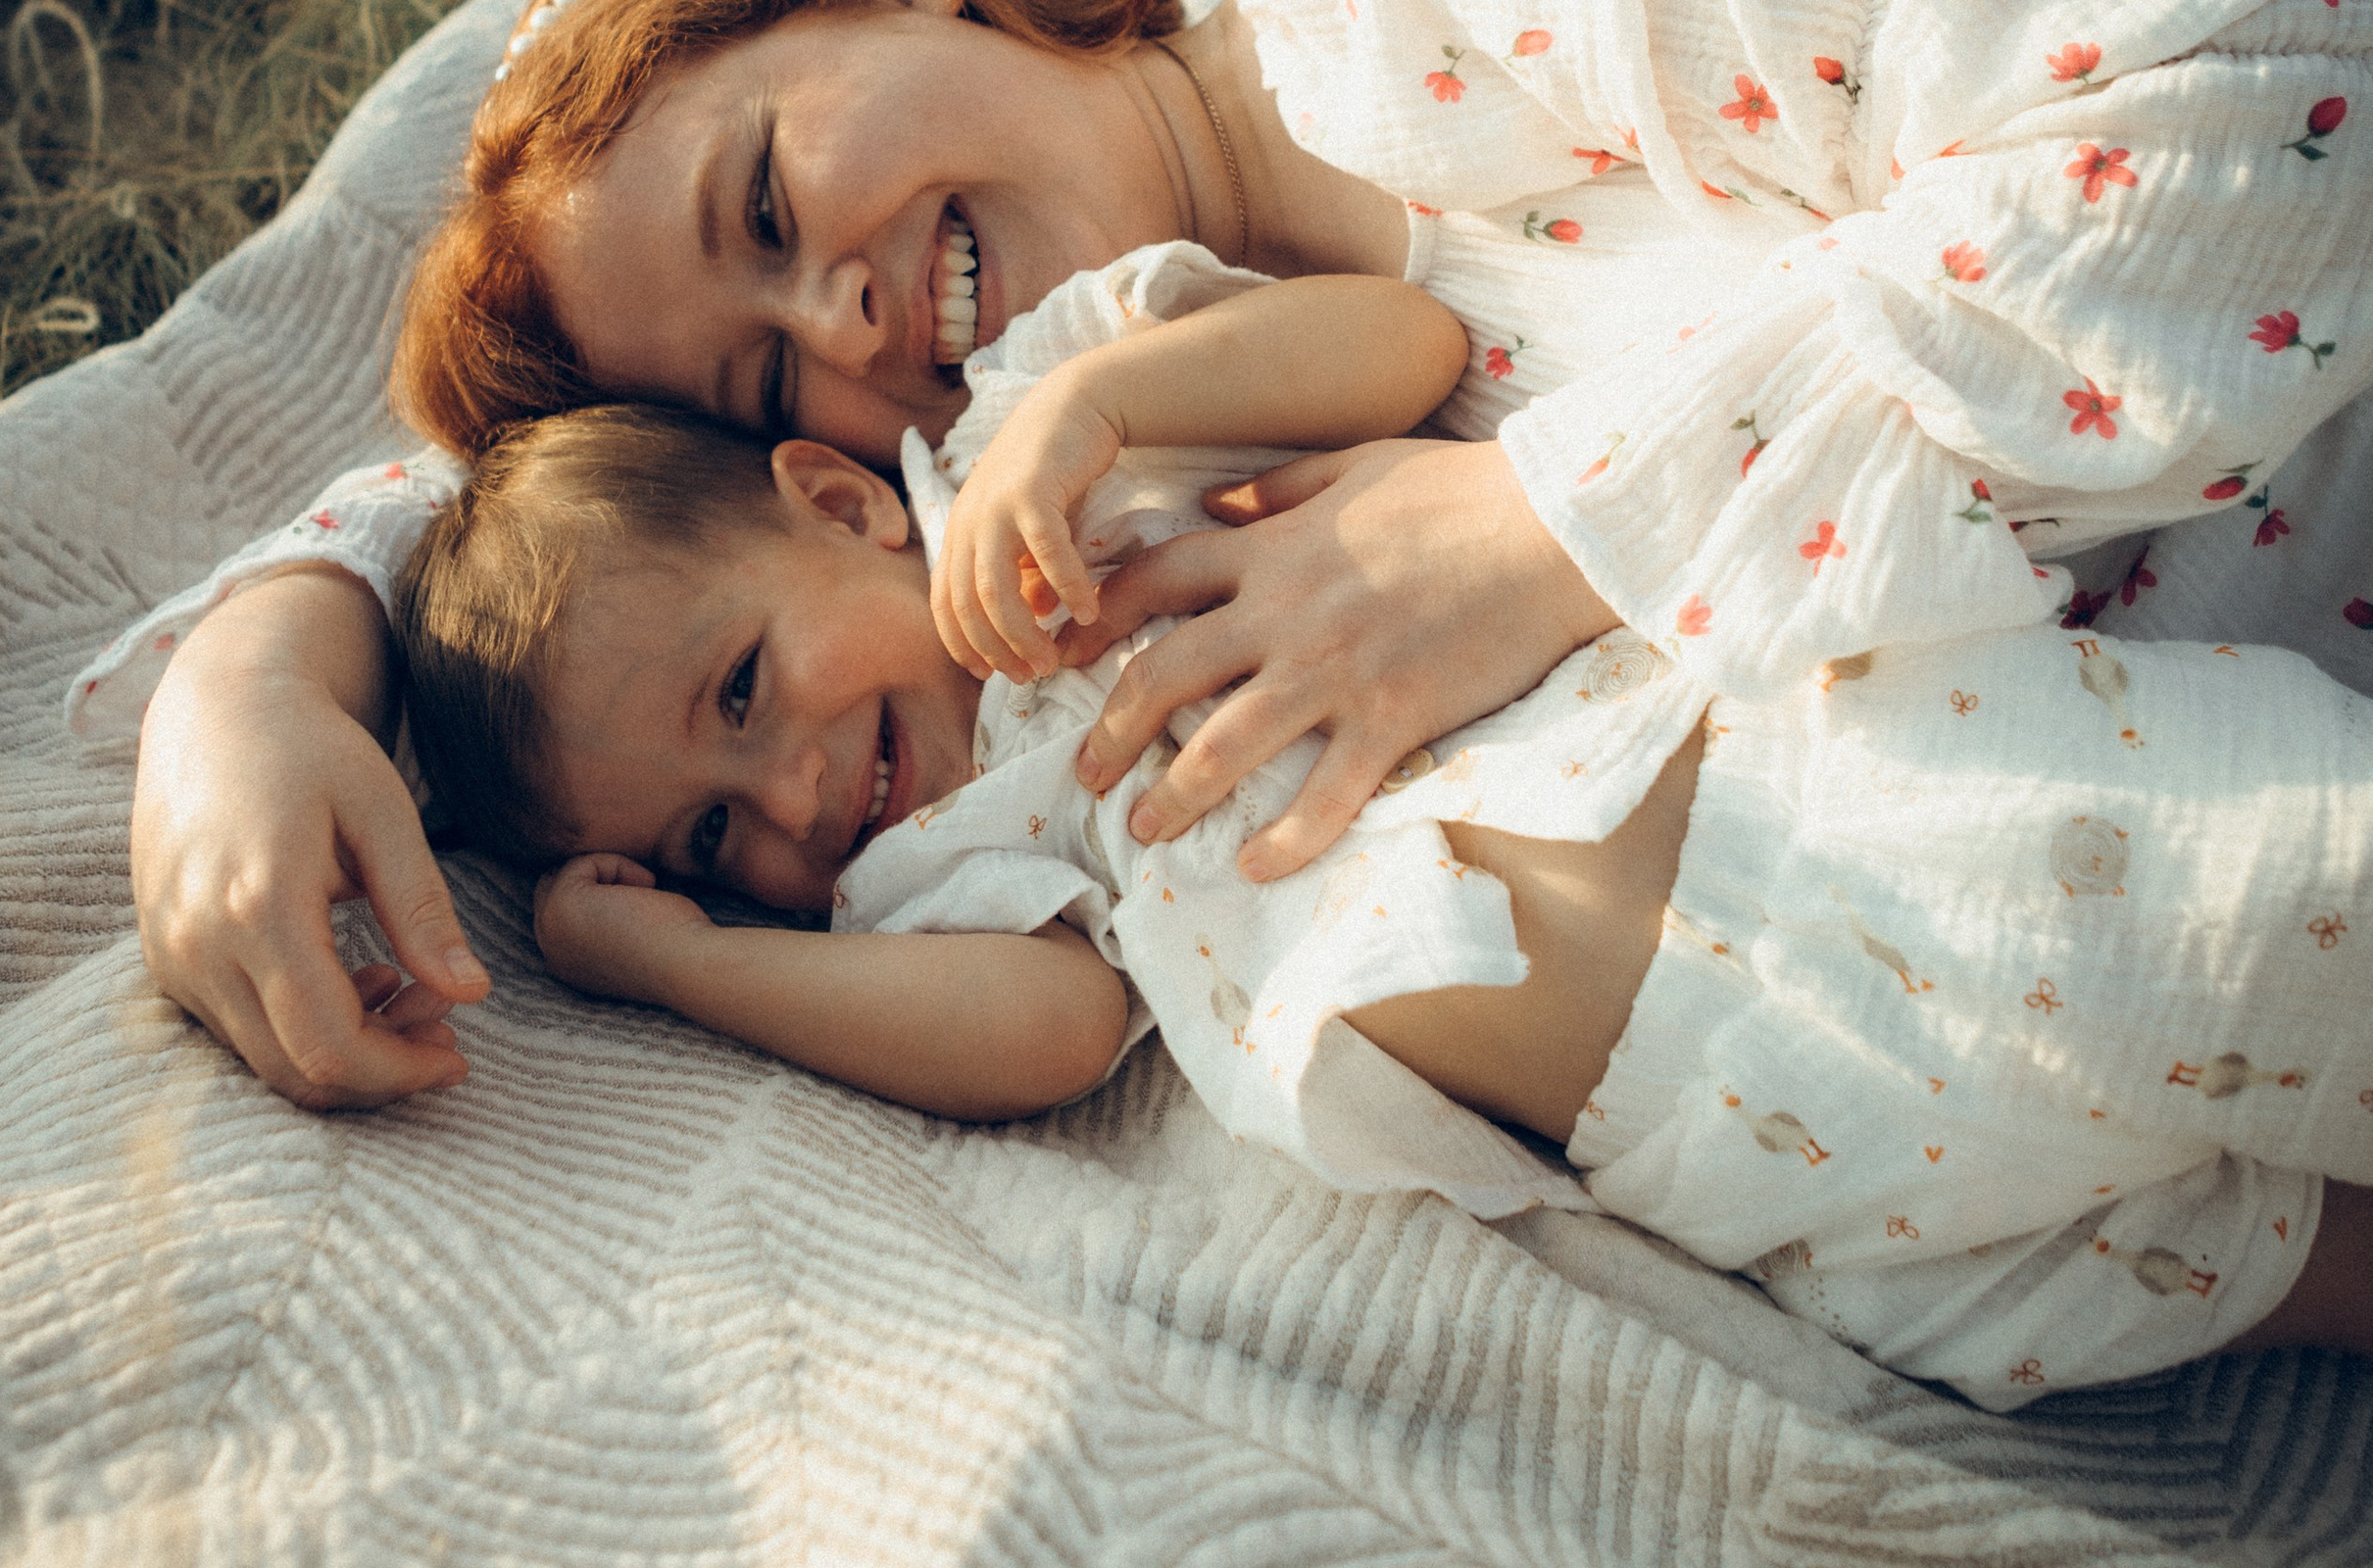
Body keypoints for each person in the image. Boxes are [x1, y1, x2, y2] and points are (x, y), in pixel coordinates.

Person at [86, 0, 2373, 1113]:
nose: (852, 329)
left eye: (770, 203)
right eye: (772, 367)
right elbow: (581, 557)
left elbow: (2284, 90)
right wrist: (258, 688)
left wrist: (1547, 529)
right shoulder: (1136, 471)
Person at [384, 244, 2373, 1412]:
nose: (792, 800)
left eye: (743, 696)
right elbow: (1049, 1036)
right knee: (2244, 1268)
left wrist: (1099, 402)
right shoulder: (937, 884)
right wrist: (680, 958)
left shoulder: (1047, 441)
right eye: (717, 837)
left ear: (833, 504)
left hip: (1876, 821)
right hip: (1772, 1171)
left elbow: (1400, 344)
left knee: (2272, 904)